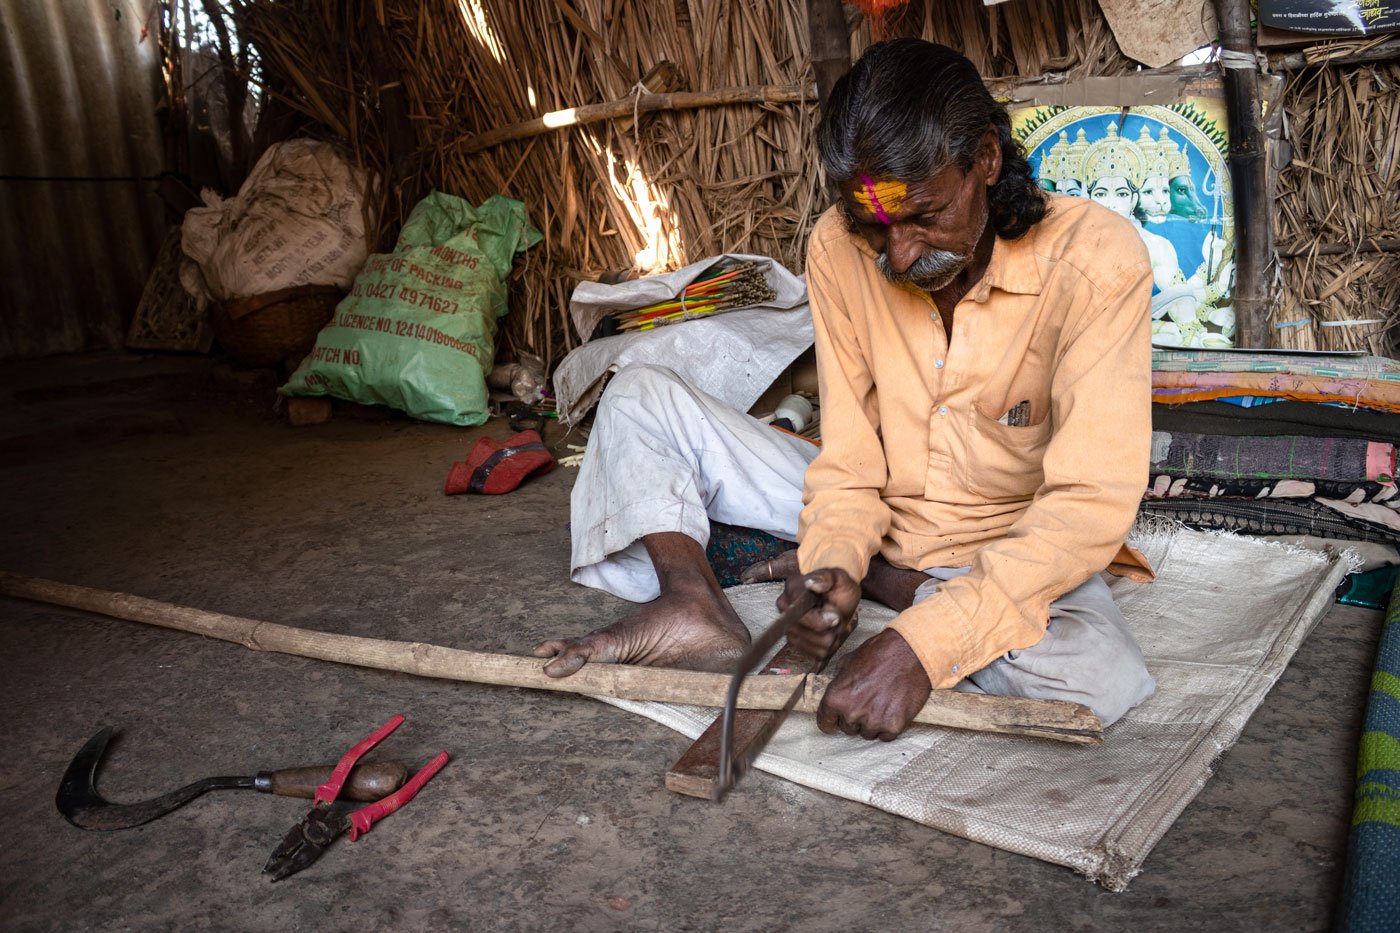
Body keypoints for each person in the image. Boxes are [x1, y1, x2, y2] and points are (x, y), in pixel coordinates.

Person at [535, 39, 1158, 739]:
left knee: (1097, 679)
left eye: (923, 215)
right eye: (875, 229)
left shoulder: (1097, 260)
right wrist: (833, 559)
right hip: (884, 507)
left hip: (1008, 537)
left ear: (985, 159)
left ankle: (895, 585)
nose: (899, 254)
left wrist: (923, 644)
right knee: (638, 395)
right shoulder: (838, 244)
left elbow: (1088, 504)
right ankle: (692, 599)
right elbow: (852, 461)